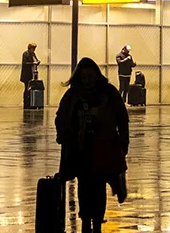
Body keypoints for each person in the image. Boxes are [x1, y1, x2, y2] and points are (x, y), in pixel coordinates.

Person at [56, 57, 130, 233]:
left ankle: (96, 221)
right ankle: (86, 220)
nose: (88, 81)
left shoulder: (109, 93)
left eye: (90, 77)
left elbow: (122, 118)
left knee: (98, 186)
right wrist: (66, 137)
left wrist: (123, 143)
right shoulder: (73, 95)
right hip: (81, 149)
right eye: (84, 78)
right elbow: (61, 117)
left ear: (96, 75)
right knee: (85, 185)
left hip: (103, 148)